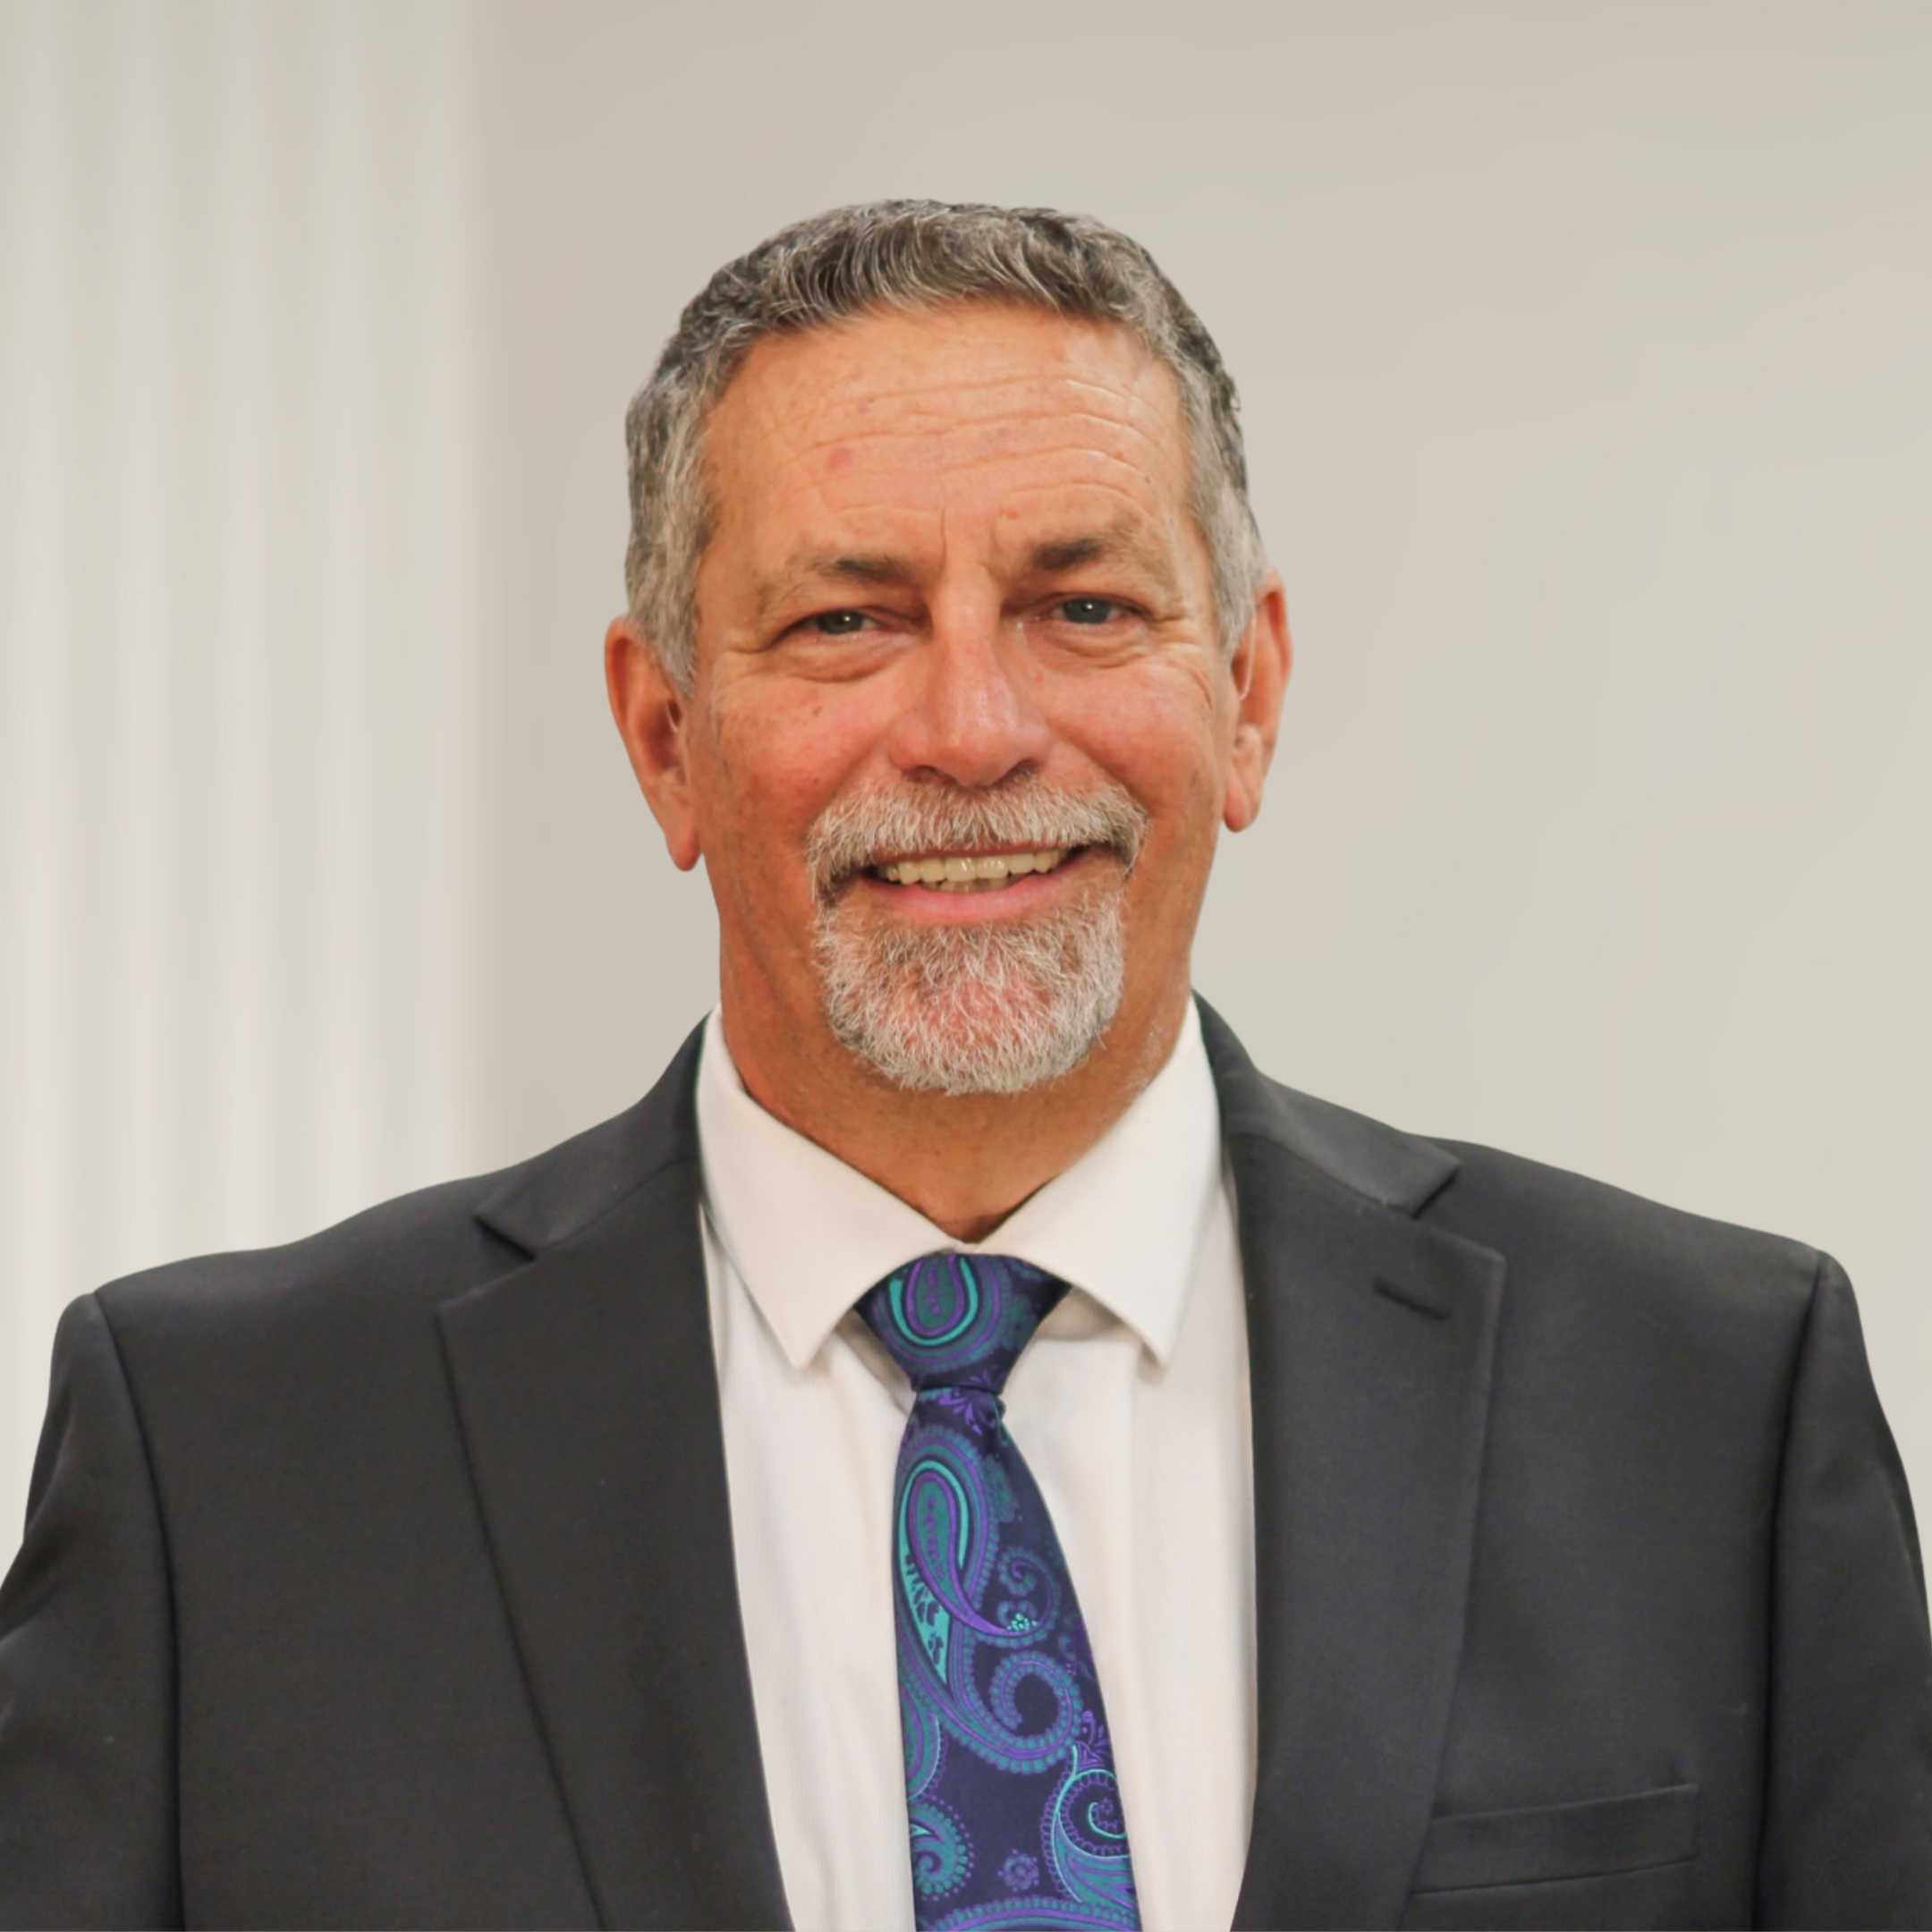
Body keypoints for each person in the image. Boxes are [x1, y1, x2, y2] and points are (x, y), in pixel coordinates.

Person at [1, 201, 1927, 1932]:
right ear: (664, 735)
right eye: (848, 622)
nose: (976, 729)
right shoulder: (225, 1465)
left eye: (1085, 607)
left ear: (1244, 698)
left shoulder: (1711, 1411)